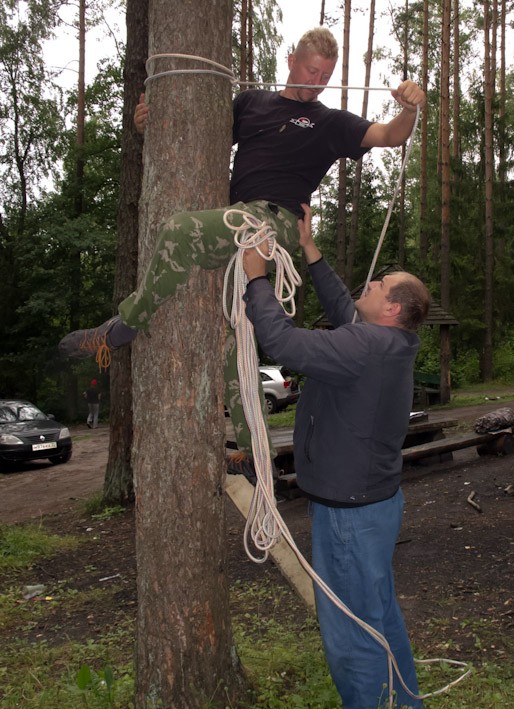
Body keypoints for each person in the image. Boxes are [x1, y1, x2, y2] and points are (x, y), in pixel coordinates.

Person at [58, 27, 426, 462]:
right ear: (291, 59)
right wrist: (148, 126)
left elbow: (390, 136)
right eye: (312, 70)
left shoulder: (328, 121)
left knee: (179, 231)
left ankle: (122, 328)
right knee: (239, 346)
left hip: (276, 223)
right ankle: (257, 455)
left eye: (326, 75)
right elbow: (193, 138)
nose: (318, 82)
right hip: (237, 224)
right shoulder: (252, 104)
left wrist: (409, 109)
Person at [242, 204, 430, 709]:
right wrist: (311, 251)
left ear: (392, 308)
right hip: (373, 504)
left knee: (350, 627)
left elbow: (283, 343)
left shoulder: (365, 348)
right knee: (378, 608)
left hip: (350, 513)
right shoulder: (386, 342)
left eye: (378, 284)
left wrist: (255, 277)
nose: (368, 286)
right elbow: (345, 309)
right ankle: (407, 706)